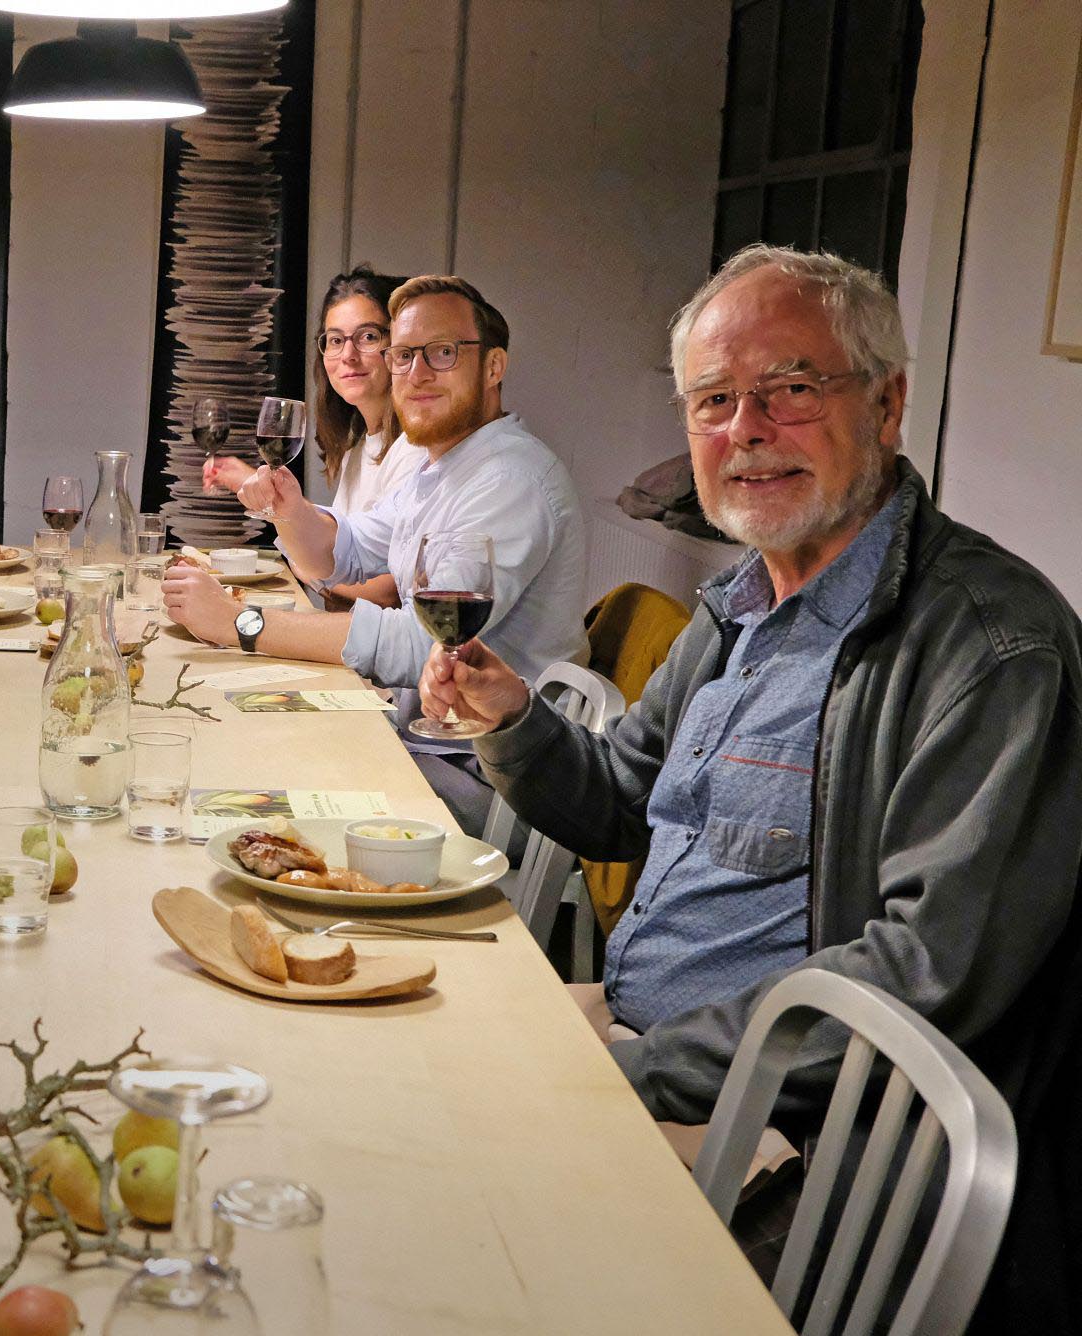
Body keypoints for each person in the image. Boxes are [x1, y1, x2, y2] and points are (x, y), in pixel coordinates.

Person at [421, 245, 1082, 1326]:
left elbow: (927, 974)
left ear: (887, 404)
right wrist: (511, 723)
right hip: (642, 1044)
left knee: (434, 1249)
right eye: (713, 400)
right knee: (368, 1084)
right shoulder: (741, 605)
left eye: (791, 388)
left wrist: (636, 1075)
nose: (746, 429)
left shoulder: (988, 647)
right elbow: (617, 803)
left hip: (800, 1144)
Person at [166, 274, 588, 832]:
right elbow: (347, 549)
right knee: (231, 748)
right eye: (405, 355)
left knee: (241, 798)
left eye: (442, 352)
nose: (417, 373)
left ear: (493, 367)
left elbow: (426, 644)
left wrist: (241, 624)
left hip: (488, 776)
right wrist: (288, 510)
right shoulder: (445, 466)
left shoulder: (510, 480)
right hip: (422, 740)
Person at [204, 264, 418, 609]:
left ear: (399, 346)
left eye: (367, 337)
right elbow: (331, 549)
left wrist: (307, 569)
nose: (348, 355)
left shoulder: (415, 450)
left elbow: (385, 592)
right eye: (335, 340)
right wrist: (265, 490)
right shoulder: (357, 446)